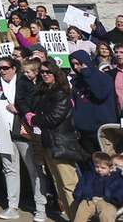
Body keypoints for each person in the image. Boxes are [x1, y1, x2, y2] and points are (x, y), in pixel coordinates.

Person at [0, 56, 48, 221]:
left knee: (34, 170)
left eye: (5, 68)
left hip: (24, 131)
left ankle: (40, 208)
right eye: (0, 68)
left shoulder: (25, 81)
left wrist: (20, 109)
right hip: (4, 132)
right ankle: (12, 206)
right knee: (9, 169)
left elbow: (35, 103)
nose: (2, 71)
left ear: (14, 68)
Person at [33, 59, 85, 214]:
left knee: (69, 184)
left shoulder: (61, 92)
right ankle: (70, 215)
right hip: (49, 142)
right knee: (57, 183)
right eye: (42, 72)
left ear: (56, 73)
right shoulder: (44, 91)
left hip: (62, 143)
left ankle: (79, 217)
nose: (45, 75)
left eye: (48, 72)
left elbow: (54, 118)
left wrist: (34, 119)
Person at [70, 51, 116, 155]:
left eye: (78, 63)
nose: (76, 67)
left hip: (101, 129)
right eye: (73, 64)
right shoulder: (77, 81)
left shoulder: (103, 78)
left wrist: (87, 73)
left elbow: (100, 94)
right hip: (84, 130)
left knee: (106, 160)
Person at [73, 152, 123, 222]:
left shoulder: (118, 178)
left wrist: (114, 199)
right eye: (97, 167)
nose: (99, 169)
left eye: (103, 168)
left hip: (108, 202)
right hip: (90, 200)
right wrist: (79, 195)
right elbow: (82, 186)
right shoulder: (90, 175)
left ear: (110, 168)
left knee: (107, 213)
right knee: (82, 210)